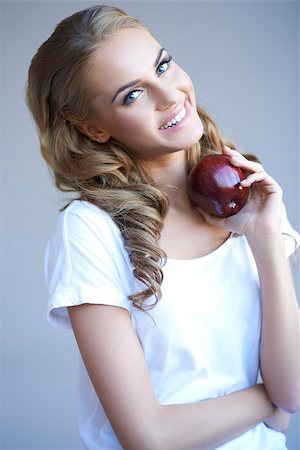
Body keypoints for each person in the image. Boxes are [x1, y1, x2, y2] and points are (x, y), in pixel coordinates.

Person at [26, 4, 300, 449]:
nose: (170, 95)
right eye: (132, 95)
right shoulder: (90, 230)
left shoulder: (248, 190)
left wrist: (265, 238)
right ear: (93, 129)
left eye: (163, 65)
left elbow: (292, 389)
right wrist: (265, 404)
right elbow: (148, 436)